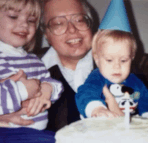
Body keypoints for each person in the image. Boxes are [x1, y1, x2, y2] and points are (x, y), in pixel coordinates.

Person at [0, 0, 63, 130]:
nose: (24, 25)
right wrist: (23, 91)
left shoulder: (34, 60)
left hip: (38, 132)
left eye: (31, 20)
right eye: (13, 16)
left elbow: (54, 84)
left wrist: (48, 89)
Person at [76, 29, 148, 118]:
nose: (117, 66)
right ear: (97, 59)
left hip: (130, 128)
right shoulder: (97, 78)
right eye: (109, 60)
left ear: (132, 59)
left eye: (123, 60)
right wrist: (96, 108)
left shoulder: (136, 82)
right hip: (101, 127)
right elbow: (85, 93)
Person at [40, 0, 94, 131]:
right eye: (58, 23)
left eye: (79, 20)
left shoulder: (122, 63)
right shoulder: (29, 74)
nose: (72, 29)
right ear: (46, 34)